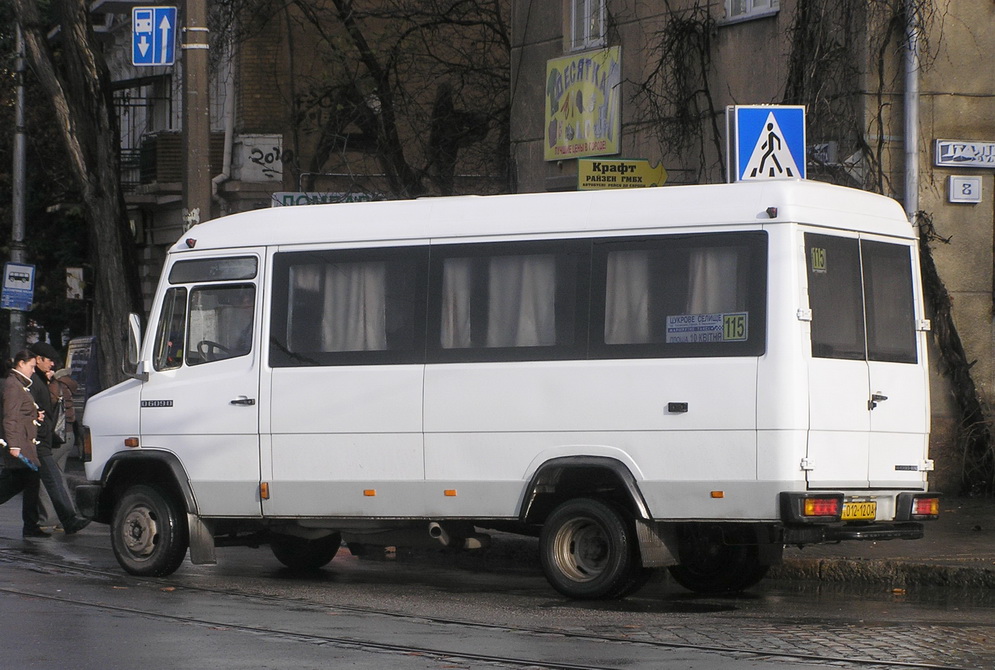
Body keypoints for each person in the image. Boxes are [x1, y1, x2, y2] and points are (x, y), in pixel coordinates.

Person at [27, 342, 89, 535]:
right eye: (49, 360)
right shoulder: (35, 382)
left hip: (47, 439)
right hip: (43, 440)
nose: (52, 364)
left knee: (41, 482)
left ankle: (40, 523)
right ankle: (66, 520)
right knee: (51, 480)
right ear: (38, 360)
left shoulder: (45, 382)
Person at [0, 350, 47, 538]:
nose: (33, 371)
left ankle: (31, 526)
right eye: (31, 366)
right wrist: (14, 445)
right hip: (20, 445)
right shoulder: (13, 386)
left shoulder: (19, 385)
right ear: (20, 363)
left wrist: (35, 415)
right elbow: (9, 418)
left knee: (23, 482)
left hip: (24, 443)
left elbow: (20, 412)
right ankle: (30, 526)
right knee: (23, 481)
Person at [38, 364, 79, 530]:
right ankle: (67, 518)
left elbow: (48, 406)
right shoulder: (68, 384)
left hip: (57, 438)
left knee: (44, 477)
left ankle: (49, 519)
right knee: (59, 477)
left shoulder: (55, 385)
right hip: (68, 436)